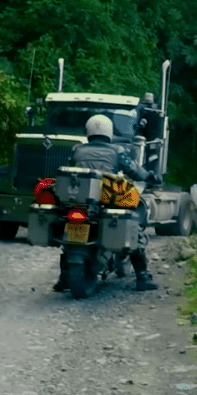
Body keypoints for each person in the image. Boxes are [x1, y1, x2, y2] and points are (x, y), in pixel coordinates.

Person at [53, 113, 160, 293]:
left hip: (79, 201)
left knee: (67, 233)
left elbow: (72, 170)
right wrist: (149, 176)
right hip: (106, 200)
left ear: (88, 131)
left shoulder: (77, 150)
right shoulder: (117, 151)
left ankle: (64, 277)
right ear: (109, 131)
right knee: (133, 226)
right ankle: (142, 276)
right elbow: (135, 171)